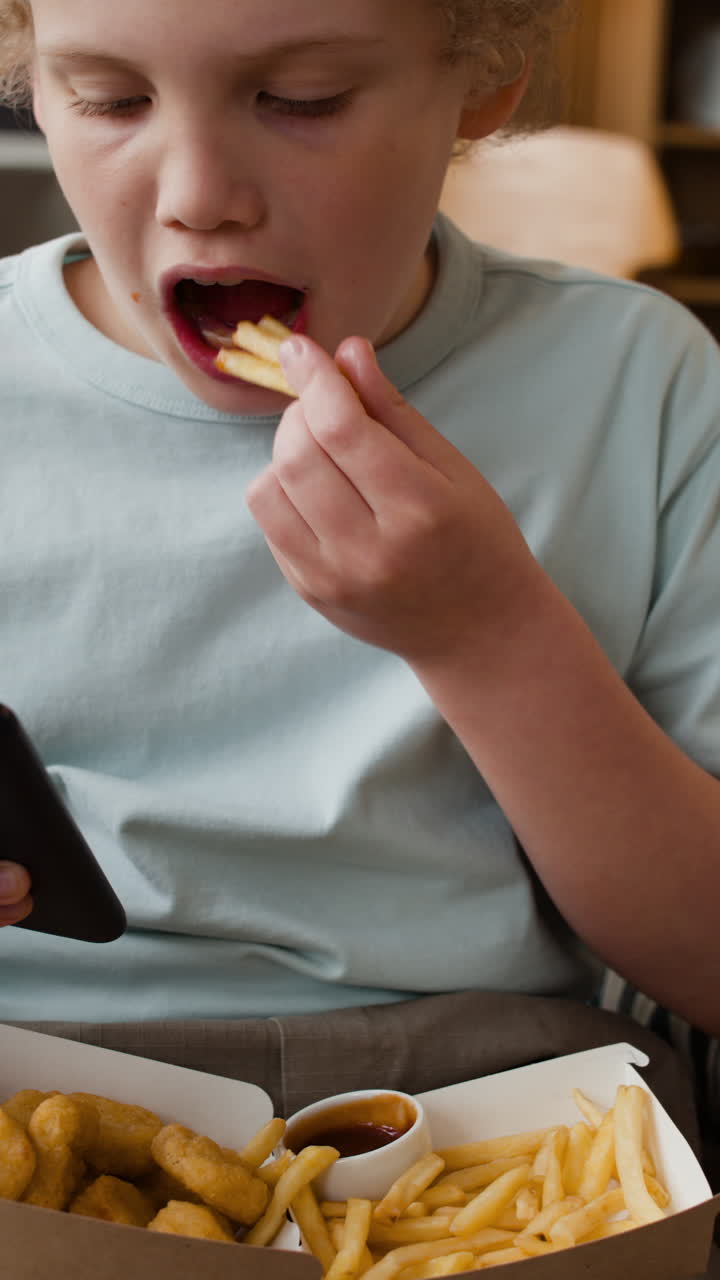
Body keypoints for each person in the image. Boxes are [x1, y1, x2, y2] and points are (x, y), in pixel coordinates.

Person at [0, 0, 718, 1137]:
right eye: (112, 100)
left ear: (483, 80)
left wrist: (485, 632)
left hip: (489, 1098)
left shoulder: (641, 382)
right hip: (38, 1082)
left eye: (302, 101)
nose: (198, 193)